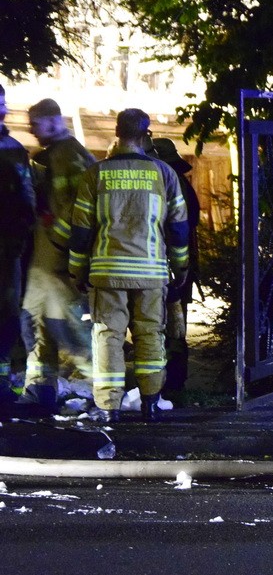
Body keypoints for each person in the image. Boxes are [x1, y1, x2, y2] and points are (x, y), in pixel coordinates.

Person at [68, 109, 190, 423]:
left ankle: (109, 408)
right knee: (150, 335)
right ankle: (150, 402)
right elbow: (178, 228)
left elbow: (81, 230)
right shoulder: (164, 174)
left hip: (107, 273)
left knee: (108, 336)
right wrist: (181, 267)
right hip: (150, 273)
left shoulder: (95, 174)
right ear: (146, 135)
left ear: (117, 132)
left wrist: (77, 270)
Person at [19, 98, 96, 411]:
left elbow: (82, 209)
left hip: (59, 263)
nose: (31, 130)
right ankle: (40, 391)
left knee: (73, 333)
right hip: (43, 263)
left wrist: (59, 238)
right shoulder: (52, 155)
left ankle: (104, 393)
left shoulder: (70, 155)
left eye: (36, 124)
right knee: (38, 327)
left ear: (52, 122)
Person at [147, 137, 200, 395]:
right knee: (175, 324)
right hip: (178, 265)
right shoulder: (183, 183)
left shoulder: (169, 182)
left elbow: (177, 227)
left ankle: (170, 384)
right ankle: (174, 382)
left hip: (167, 265)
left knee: (168, 326)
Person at [0, 84, 37, 407]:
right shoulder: (11, 148)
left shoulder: (13, 149)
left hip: (6, 248)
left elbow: (27, 203)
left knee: (6, 316)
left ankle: (3, 388)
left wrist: (19, 242)